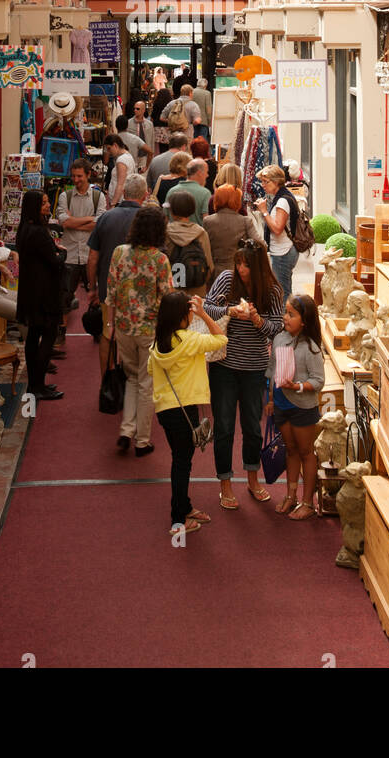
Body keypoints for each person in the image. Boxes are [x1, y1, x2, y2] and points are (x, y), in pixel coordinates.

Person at [204, 239, 283, 510]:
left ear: (258, 267)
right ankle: (225, 483)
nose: (240, 269)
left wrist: (256, 319)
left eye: (245, 265)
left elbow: (277, 327)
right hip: (223, 365)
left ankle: (252, 478)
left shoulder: (271, 290)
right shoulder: (226, 279)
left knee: (252, 427)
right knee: (224, 426)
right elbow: (207, 307)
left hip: (254, 367)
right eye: (238, 263)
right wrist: (229, 311)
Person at [149, 290, 228, 539]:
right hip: (186, 409)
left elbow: (152, 370)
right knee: (182, 463)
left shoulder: (158, 342)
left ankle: (185, 507)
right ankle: (178, 519)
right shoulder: (190, 340)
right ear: (184, 316)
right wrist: (203, 314)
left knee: (179, 458)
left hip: (165, 409)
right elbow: (220, 339)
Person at [104, 205, 173, 456]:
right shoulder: (160, 260)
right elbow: (167, 297)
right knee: (147, 383)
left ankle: (126, 429)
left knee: (132, 377)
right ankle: (142, 440)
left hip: (123, 325)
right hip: (149, 329)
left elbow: (110, 291)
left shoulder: (119, 253)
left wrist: (109, 325)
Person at [266, 295, 325, 520]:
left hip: (302, 406)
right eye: (286, 312)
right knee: (290, 450)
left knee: (306, 452)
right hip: (281, 404)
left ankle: (308, 502)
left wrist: (298, 386)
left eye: (292, 314)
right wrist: (271, 399)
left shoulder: (311, 348)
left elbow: (319, 380)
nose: (285, 317)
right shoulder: (280, 339)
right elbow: (272, 369)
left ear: (304, 320)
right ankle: (291, 496)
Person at [87, 174, 148, 375]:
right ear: (145, 195)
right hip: (141, 291)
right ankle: (136, 380)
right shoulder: (149, 219)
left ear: (123, 193)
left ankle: (107, 379)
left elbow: (93, 258)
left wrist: (92, 288)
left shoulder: (106, 217)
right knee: (139, 336)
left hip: (109, 287)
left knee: (108, 332)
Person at [15, 190, 67, 401]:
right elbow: (55, 262)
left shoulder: (24, 230)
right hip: (45, 293)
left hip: (30, 290)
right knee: (48, 336)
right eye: (44, 203)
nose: (47, 205)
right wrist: (61, 252)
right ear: (34, 206)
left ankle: (35, 385)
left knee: (33, 337)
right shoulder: (38, 232)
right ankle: (38, 386)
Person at [56, 159, 106, 349]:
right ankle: (61, 332)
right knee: (64, 296)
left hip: (89, 254)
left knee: (96, 294)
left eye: (79, 176)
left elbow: (99, 224)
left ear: (87, 175)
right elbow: (64, 222)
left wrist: (74, 220)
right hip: (69, 254)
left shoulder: (97, 197)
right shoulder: (65, 196)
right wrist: (89, 220)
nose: (76, 180)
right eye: (73, 176)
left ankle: (98, 329)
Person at [255, 164, 300, 303]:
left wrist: (264, 211)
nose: (263, 185)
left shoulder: (282, 201)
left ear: (276, 181)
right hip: (283, 250)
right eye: (262, 181)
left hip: (283, 252)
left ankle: (286, 321)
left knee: (283, 292)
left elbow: (277, 229)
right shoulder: (283, 196)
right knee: (284, 289)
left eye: (265, 181)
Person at [164, 187, 213, 302]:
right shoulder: (201, 233)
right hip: (197, 292)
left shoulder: (165, 233)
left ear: (172, 211)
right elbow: (209, 265)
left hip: (172, 292)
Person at [204, 185, 259, 279]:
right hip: (239, 272)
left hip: (215, 272)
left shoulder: (208, 221)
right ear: (237, 201)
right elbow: (260, 245)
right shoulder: (245, 221)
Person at [165, 156, 211, 224]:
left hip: (174, 233)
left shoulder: (171, 191)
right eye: (206, 172)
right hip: (196, 234)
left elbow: (166, 218)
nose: (207, 175)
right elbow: (206, 220)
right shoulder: (205, 193)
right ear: (199, 173)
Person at [104, 132, 135, 207]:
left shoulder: (121, 160)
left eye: (109, 148)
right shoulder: (127, 156)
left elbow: (120, 184)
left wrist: (113, 203)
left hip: (119, 201)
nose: (109, 152)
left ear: (115, 145)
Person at [150, 85, 174, 152]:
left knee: (160, 147)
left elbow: (153, 116)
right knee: (169, 145)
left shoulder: (156, 103)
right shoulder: (171, 104)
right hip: (168, 127)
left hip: (158, 127)